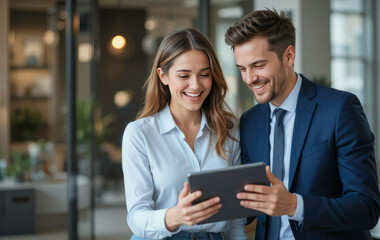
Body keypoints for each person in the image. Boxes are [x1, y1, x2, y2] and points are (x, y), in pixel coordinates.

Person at [224, 9, 380, 240]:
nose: (249, 78)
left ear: (288, 56)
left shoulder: (340, 109)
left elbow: (367, 208)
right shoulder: (250, 120)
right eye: (243, 69)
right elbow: (250, 208)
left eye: (258, 65)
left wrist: (294, 206)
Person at [122, 28, 247, 240]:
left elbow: (235, 218)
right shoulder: (140, 134)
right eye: (184, 75)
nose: (196, 85)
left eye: (204, 75)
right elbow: (136, 217)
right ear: (163, 76)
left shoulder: (228, 130)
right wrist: (175, 216)